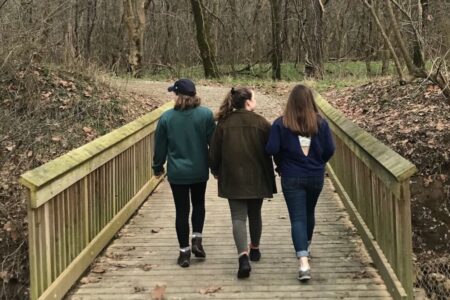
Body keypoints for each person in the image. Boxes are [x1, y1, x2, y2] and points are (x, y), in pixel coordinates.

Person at [265, 84, 335, 282]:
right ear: (310, 101)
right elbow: (330, 149)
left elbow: (271, 148)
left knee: (297, 218)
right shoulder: (320, 124)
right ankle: (307, 245)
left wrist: (282, 160)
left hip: (291, 175)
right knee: (309, 212)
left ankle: (303, 263)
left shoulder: (280, 124)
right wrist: (319, 161)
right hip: (315, 175)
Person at [209, 87, 276, 279]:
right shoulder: (262, 123)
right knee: (255, 214)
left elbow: (214, 152)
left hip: (232, 177)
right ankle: (254, 248)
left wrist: (215, 170)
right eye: (254, 98)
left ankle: (243, 257)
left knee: (238, 217)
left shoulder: (223, 123)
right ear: (248, 102)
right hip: (257, 177)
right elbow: (272, 148)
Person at [152, 79, 216, 268]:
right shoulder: (205, 115)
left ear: (177, 96)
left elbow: (160, 148)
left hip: (177, 172)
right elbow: (214, 144)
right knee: (198, 204)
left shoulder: (166, 118)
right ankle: (197, 238)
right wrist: (216, 167)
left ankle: (184, 252)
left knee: (182, 210)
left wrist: (157, 167)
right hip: (199, 170)